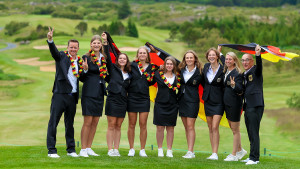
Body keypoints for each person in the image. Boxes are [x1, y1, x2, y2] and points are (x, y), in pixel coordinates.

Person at [46, 27, 80, 158]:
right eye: (71, 47)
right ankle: (51, 150)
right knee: (53, 122)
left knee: (69, 124)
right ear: (68, 47)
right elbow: (54, 52)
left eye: (75, 47)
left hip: (72, 96)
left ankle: (71, 149)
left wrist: (86, 70)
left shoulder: (80, 61)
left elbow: (80, 76)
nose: (73, 49)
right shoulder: (61, 56)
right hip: (60, 94)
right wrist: (50, 40)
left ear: (78, 48)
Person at [102, 32, 131, 157]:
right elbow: (107, 56)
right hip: (112, 98)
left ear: (126, 61)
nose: (122, 60)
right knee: (111, 124)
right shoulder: (112, 68)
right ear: (118, 60)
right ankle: (110, 149)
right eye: (120, 58)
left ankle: (116, 149)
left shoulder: (130, 73)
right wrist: (105, 42)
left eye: (124, 58)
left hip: (123, 100)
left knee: (119, 125)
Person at [78, 35, 108, 157]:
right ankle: (83, 149)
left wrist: (106, 40)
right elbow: (81, 78)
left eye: (98, 43)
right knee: (88, 121)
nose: (96, 45)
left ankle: (89, 147)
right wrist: (85, 70)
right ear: (91, 44)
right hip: (89, 92)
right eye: (94, 43)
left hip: (100, 92)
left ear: (101, 45)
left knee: (95, 121)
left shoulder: (104, 58)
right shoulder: (86, 57)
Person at [127, 46, 158, 157]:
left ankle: (142, 149)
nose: (142, 55)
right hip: (132, 97)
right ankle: (131, 149)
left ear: (147, 55)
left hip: (144, 98)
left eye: (144, 53)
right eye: (140, 53)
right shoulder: (132, 65)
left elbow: (152, 82)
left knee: (143, 124)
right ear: (137, 54)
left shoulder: (152, 68)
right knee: (131, 124)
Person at [218, 47, 247, 161]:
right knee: (232, 128)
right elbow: (222, 59)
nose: (228, 61)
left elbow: (240, 90)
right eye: (227, 59)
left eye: (230, 59)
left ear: (235, 61)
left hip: (235, 104)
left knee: (235, 130)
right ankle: (241, 150)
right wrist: (219, 52)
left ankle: (234, 154)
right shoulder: (227, 70)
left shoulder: (238, 73)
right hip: (227, 104)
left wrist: (234, 85)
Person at [152, 56, 180, 158]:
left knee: (170, 128)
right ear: (164, 65)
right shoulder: (158, 74)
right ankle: (160, 149)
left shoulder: (177, 77)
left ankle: (169, 150)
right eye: (167, 64)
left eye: (171, 64)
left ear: (174, 66)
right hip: (160, 104)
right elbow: (149, 73)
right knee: (159, 127)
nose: (169, 66)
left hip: (172, 105)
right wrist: (157, 68)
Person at [241, 45, 264, 165]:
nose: (245, 62)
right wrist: (221, 55)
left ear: (252, 61)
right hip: (248, 106)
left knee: (254, 132)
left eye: (247, 60)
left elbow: (260, 66)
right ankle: (251, 155)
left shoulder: (256, 70)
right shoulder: (244, 74)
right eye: (243, 60)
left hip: (255, 105)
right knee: (250, 132)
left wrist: (258, 54)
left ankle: (255, 158)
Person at [177, 50, 203, 158]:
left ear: (195, 59)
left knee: (190, 126)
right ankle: (190, 151)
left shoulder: (200, 72)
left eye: (191, 57)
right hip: (182, 100)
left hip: (192, 101)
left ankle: (190, 151)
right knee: (186, 127)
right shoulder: (181, 70)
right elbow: (168, 59)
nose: (189, 59)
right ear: (184, 59)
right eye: (187, 58)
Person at [201, 47, 224, 160]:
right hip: (208, 101)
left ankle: (215, 153)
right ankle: (213, 152)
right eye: (209, 55)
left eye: (213, 55)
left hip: (219, 101)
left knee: (215, 127)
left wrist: (220, 52)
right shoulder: (205, 67)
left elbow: (229, 63)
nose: (211, 57)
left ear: (217, 56)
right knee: (210, 127)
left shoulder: (223, 68)